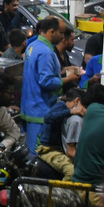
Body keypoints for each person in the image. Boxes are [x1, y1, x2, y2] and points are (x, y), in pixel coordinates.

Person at [21, 16, 69, 150]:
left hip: (29, 106)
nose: (63, 37)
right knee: (36, 153)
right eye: (61, 32)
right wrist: (67, 79)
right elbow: (46, 81)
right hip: (39, 109)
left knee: (28, 149)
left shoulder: (33, 45)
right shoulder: (45, 52)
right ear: (52, 32)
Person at [36, 87, 86, 181]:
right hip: (49, 150)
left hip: (58, 150)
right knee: (71, 172)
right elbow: (48, 118)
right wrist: (71, 111)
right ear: (77, 101)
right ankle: (61, 190)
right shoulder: (61, 105)